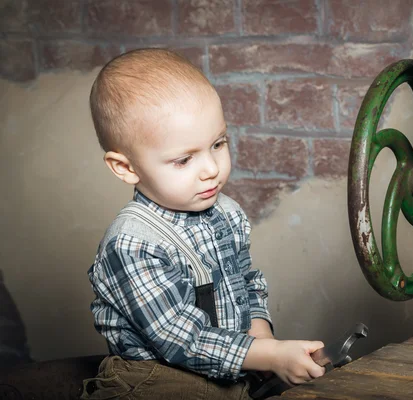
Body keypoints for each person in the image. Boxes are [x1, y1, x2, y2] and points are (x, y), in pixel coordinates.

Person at [82, 48, 325, 399]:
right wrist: (269, 357)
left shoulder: (226, 213)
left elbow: (246, 285)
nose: (211, 168)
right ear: (126, 168)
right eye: (184, 160)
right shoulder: (132, 244)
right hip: (156, 378)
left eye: (218, 144)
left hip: (225, 367)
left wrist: (266, 345)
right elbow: (180, 339)